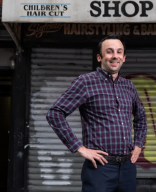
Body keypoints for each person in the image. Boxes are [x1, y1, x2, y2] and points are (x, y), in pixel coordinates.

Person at [46, 35, 147, 192]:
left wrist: (139, 145)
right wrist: (79, 148)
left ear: (124, 58)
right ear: (99, 57)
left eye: (119, 52)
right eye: (109, 51)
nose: (115, 56)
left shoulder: (129, 86)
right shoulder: (85, 82)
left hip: (127, 168)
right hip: (100, 168)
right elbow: (55, 113)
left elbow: (141, 118)